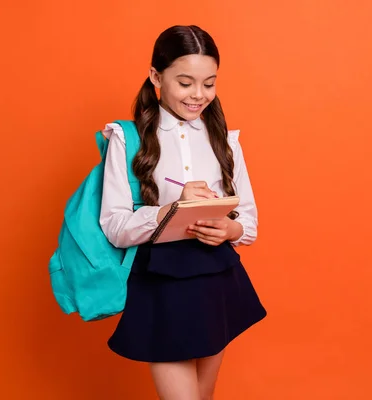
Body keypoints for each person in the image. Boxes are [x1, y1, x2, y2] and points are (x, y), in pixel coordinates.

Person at [98, 25, 267, 399]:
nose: (198, 95)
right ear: (157, 76)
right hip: (161, 282)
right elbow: (114, 226)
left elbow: (249, 223)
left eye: (209, 83)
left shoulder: (224, 139)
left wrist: (229, 230)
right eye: (186, 82)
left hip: (216, 277)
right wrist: (168, 211)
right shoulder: (128, 139)